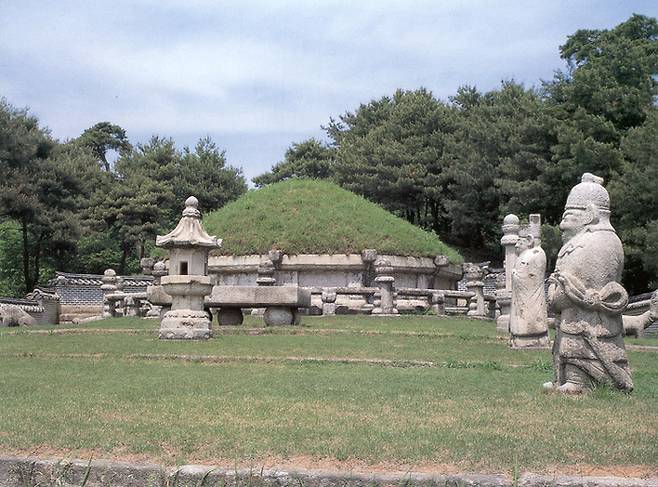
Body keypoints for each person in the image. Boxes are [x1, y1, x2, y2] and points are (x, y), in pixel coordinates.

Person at [545, 173, 632, 393]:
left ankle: (581, 382)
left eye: (569, 216)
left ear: (590, 214)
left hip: (589, 317)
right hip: (575, 315)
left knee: (581, 345)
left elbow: (575, 284)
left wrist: (557, 296)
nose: (562, 224)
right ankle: (566, 379)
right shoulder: (590, 240)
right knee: (568, 343)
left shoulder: (595, 243)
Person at [509, 230, 548, 348]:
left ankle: (534, 336)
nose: (516, 245)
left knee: (532, 315)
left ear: (529, 241)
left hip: (532, 295)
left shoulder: (537, 253)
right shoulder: (524, 255)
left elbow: (533, 277)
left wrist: (516, 274)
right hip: (520, 296)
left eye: (520, 242)